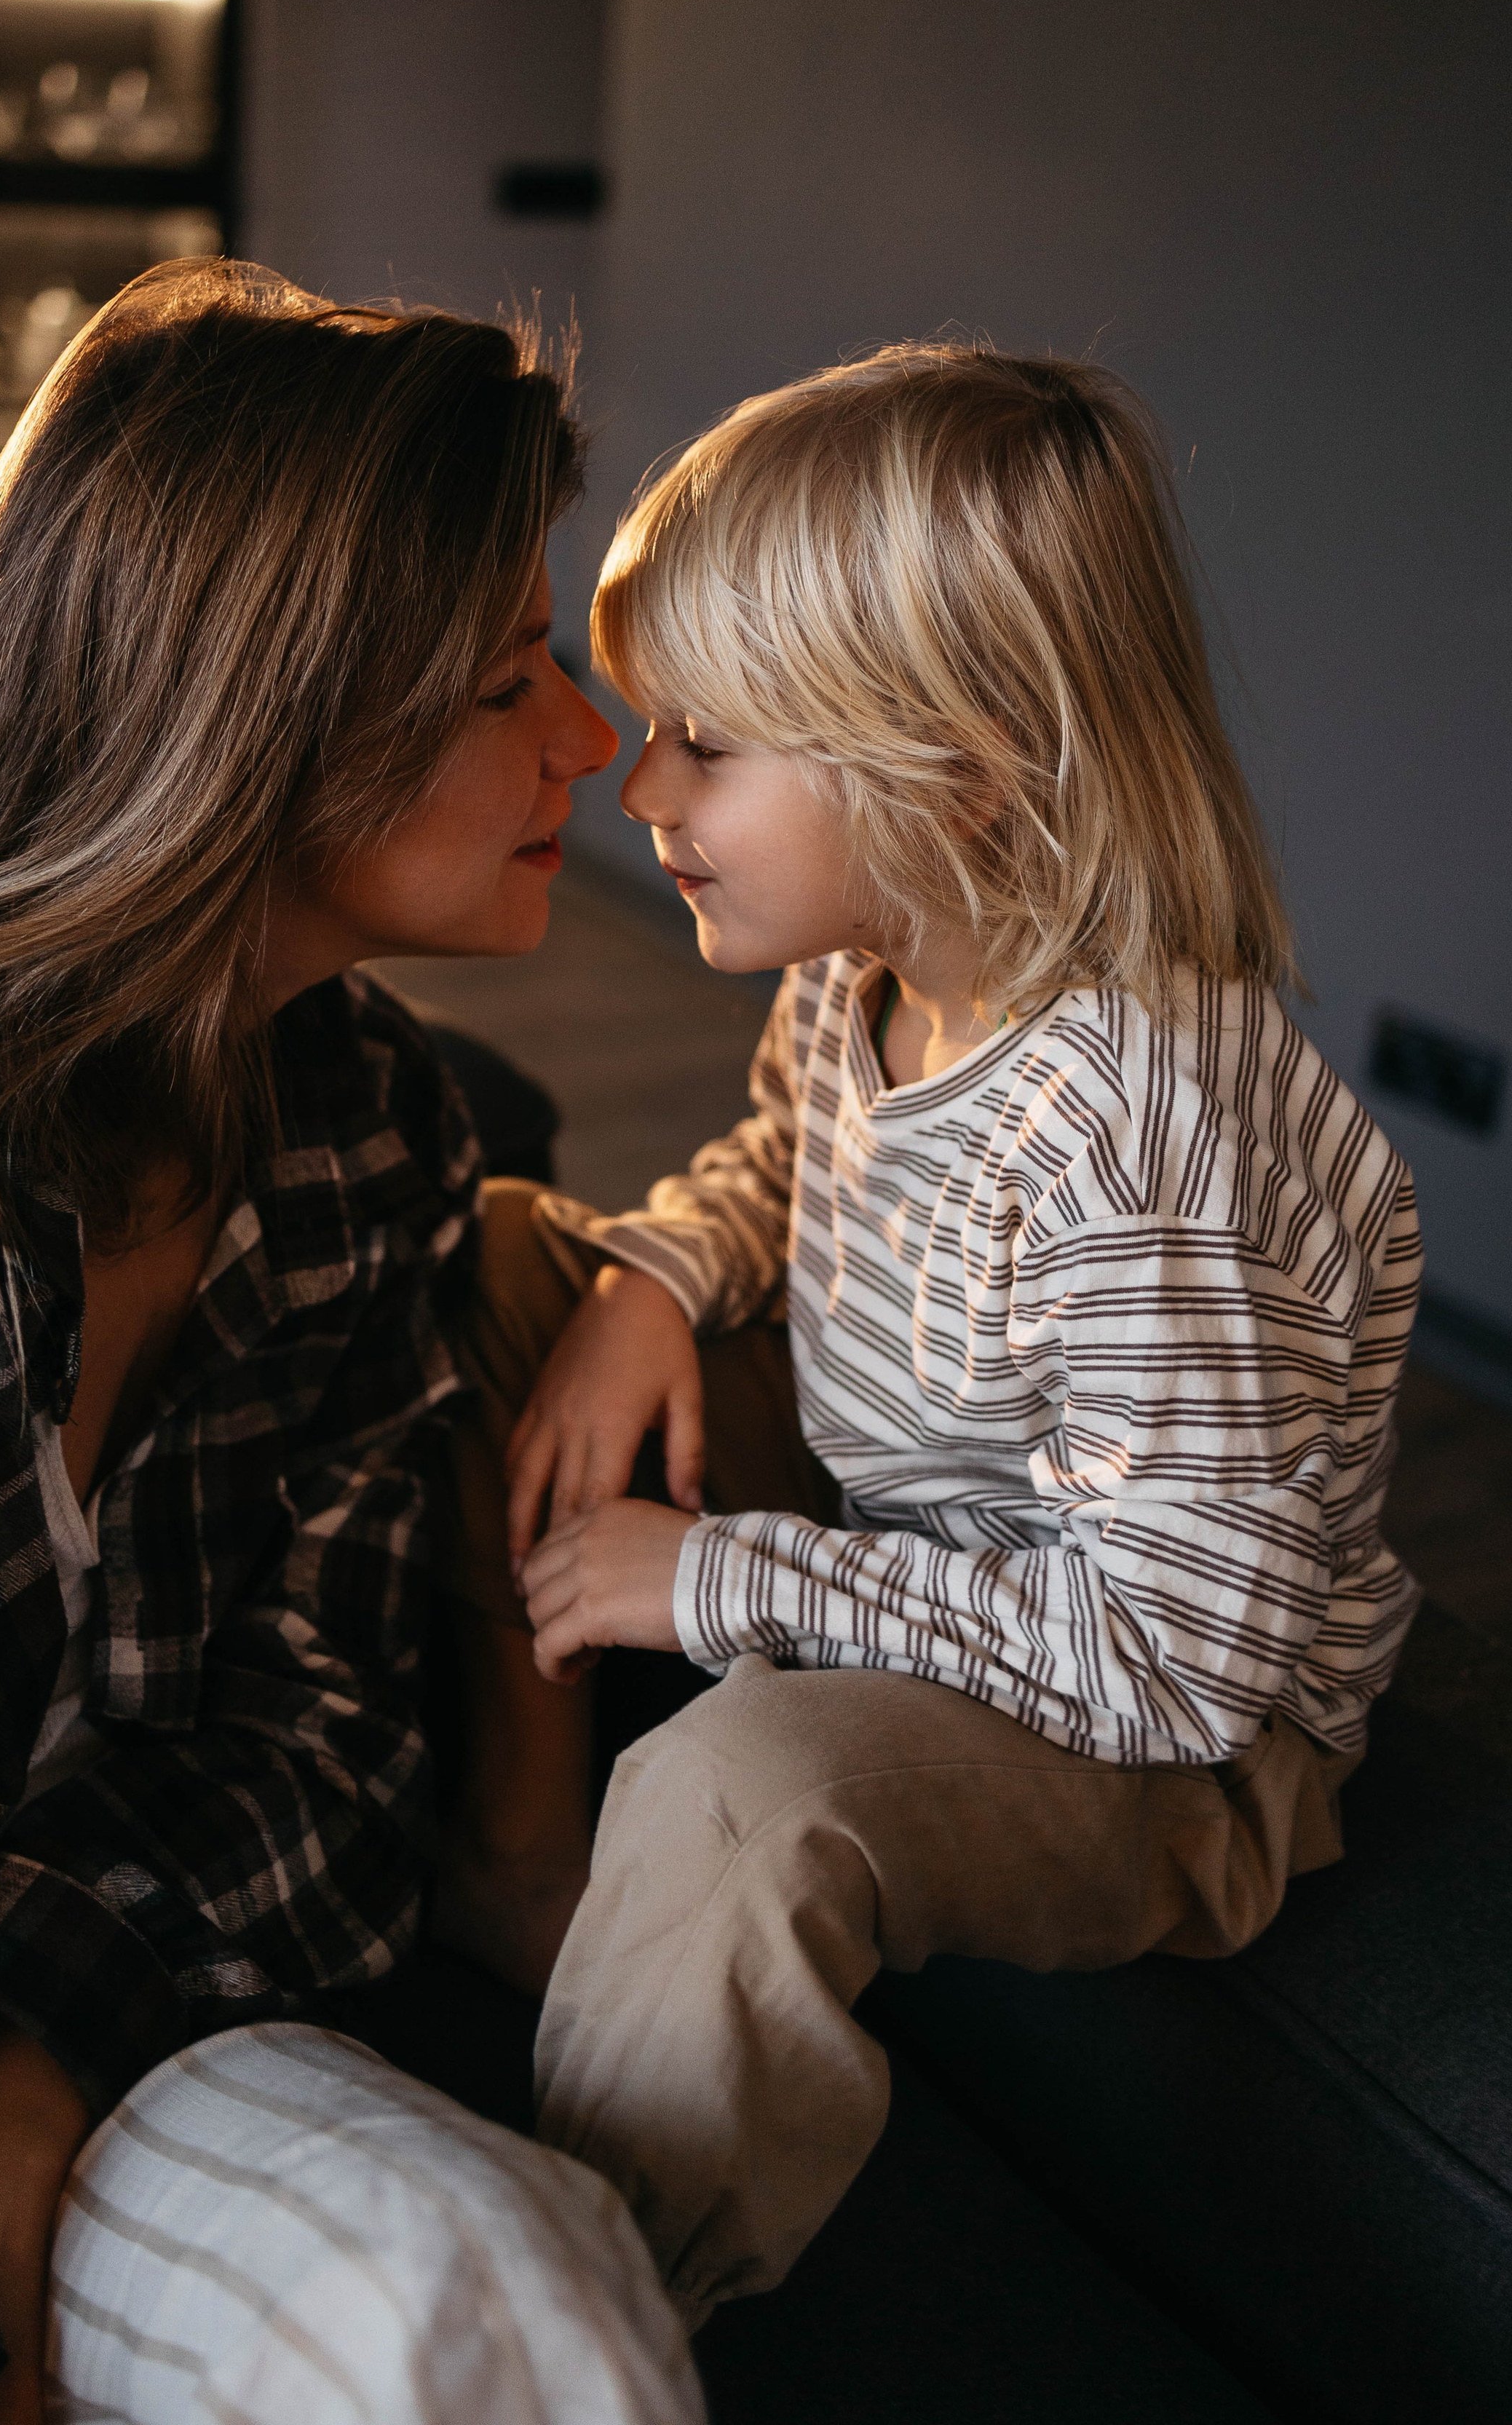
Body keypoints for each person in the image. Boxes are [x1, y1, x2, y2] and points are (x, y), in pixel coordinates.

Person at [0, 261, 705, 2425]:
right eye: (519, 679)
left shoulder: (367, 1122)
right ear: (274, 715)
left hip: (101, 2011)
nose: (592, 744)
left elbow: (320, 1772)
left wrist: (25, 2060)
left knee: (499, 2305)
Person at [448, 343, 1422, 2327]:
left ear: (958, 768)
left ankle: (595, 2314)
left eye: (707, 746)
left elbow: (1164, 1660)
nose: (640, 791)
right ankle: (522, 1877)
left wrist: (726, 1579)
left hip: (1167, 1726)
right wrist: (653, 1279)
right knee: (497, 1253)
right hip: (937, 1531)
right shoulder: (871, 968)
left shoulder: (1149, 1153)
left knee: (729, 1794)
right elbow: (782, 1164)